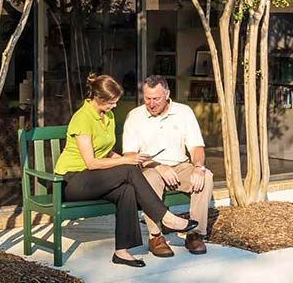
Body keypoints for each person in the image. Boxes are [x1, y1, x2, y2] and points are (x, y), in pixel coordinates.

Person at [53, 73, 198, 267]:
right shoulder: (82, 118)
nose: (115, 106)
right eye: (112, 102)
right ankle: (166, 217)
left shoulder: (107, 116)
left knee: (127, 190)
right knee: (128, 169)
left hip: (93, 179)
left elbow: (106, 151)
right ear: (99, 98)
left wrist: (131, 158)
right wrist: (127, 160)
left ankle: (122, 252)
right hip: (72, 181)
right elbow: (91, 162)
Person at [122, 75, 214, 257]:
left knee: (206, 176)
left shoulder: (184, 112)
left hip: (180, 166)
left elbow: (196, 147)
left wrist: (198, 167)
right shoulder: (135, 116)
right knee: (150, 180)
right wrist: (158, 166)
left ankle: (195, 233)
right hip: (150, 167)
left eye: (156, 99)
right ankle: (156, 237)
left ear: (167, 94)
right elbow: (129, 155)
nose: (151, 103)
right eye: (147, 98)